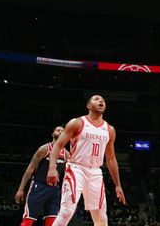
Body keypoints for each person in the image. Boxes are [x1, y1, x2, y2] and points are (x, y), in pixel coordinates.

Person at [47, 95, 126, 226]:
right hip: (76, 168)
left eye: (103, 101)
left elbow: (111, 159)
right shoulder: (77, 123)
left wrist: (118, 184)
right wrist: (52, 168)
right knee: (67, 211)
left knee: (101, 218)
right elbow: (58, 145)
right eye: (96, 99)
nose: (101, 101)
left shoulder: (109, 130)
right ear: (88, 106)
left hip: (95, 172)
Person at [14, 126, 66, 226]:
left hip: (54, 190)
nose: (60, 132)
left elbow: (67, 174)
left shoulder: (66, 154)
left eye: (63, 131)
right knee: (28, 220)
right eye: (58, 130)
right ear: (52, 134)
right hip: (39, 187)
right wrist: (21, 189)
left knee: (52, 222)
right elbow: (30, 169)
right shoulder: (44, 149)